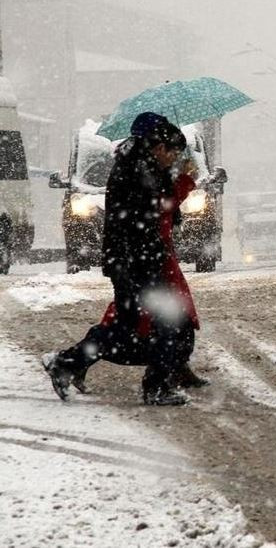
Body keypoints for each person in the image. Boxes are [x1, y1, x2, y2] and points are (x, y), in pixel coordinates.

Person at [42, 112, 202, 405]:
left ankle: (68, 363)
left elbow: (159, 211)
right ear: (157, 146)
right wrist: (175, 182)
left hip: (141, 259)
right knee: (148, 326)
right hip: (136, 262)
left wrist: (174, 179)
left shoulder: (142, 167)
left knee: (154, 324)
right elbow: (145, 216)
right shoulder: (136, 170)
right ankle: (153, 386)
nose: (172, 158)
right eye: (171, 152)